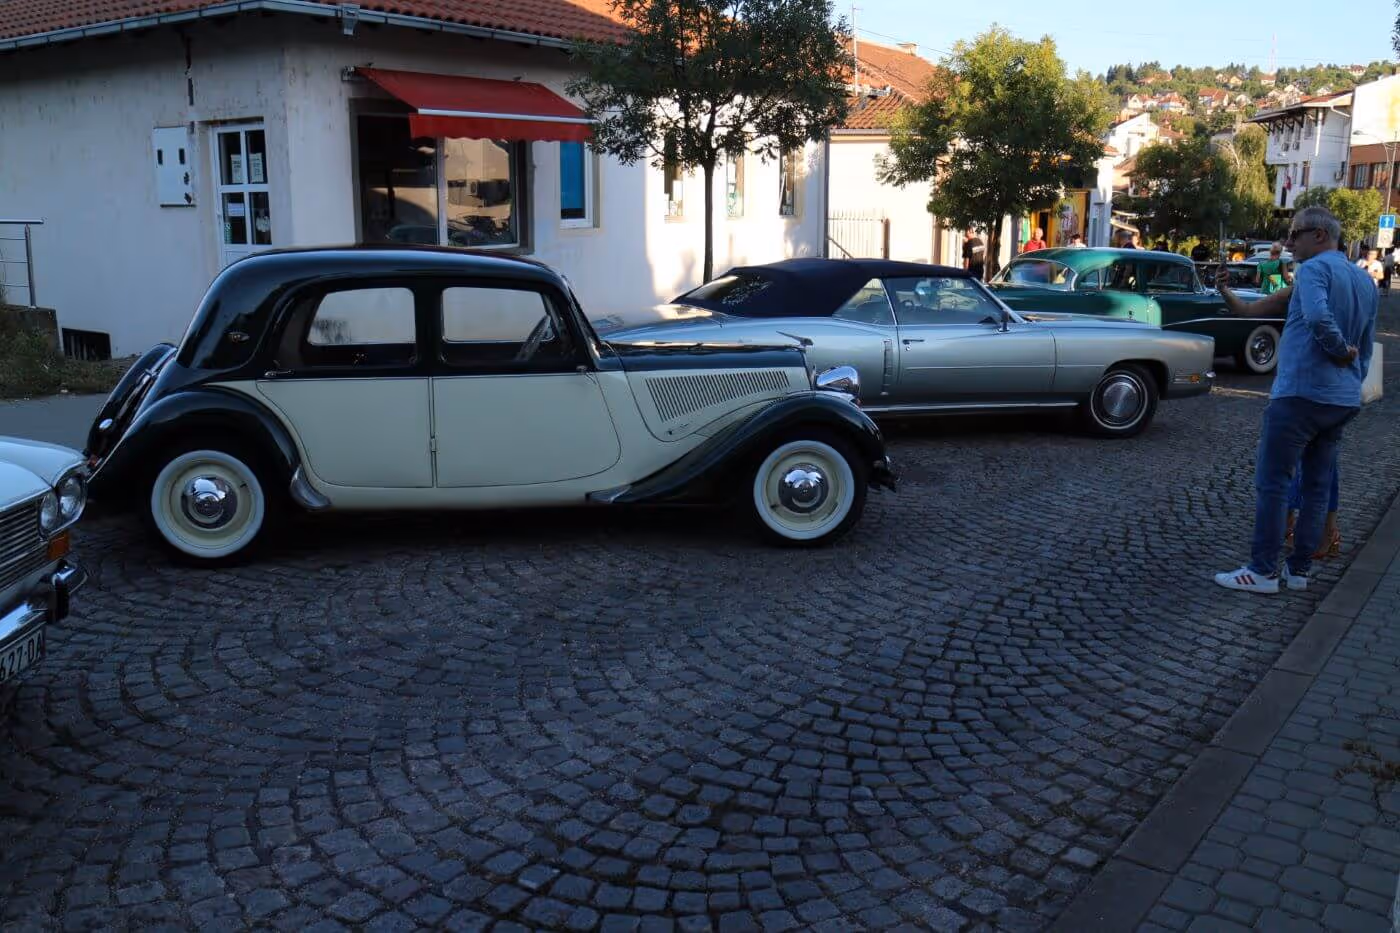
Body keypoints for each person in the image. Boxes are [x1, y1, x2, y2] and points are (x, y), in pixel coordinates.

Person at [1214, 205, 1377, 594]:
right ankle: (1299, 571)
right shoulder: (1364, 280)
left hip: (1301, 393)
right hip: (1340, 399)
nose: (1288, 242)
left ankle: (1262, 571)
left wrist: (1338, 350)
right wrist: (1352, 378)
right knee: (1317, 485)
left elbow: (1319, 319)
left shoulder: (1314, 270)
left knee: (1274, 482)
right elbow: (1368, 343)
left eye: (1295, 234)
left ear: (1319, 235)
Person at [1216, 270, 1342, 559]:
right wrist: (1224, 290)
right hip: (1328, 392)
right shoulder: (1302, 291)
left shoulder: (1332, 291)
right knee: (1317, 464)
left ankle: (1303, 537)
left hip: (1309, 390)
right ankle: (1315, 533)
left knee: (1294, 466)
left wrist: (1342, 353)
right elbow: (1247, 310)